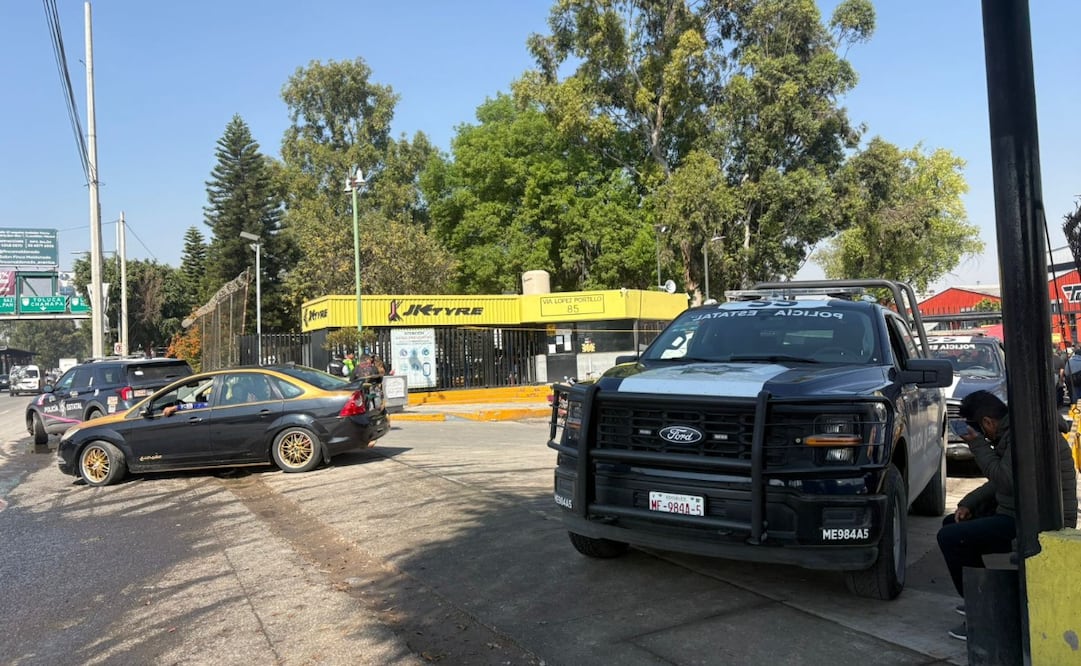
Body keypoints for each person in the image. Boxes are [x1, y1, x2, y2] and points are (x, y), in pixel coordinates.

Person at [937, 390, 1078, 642]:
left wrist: (976, 444)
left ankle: (985, 611)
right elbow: (1006, 479)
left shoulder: (1021, 436)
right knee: (954, 523)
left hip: (1037, 520)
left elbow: (1005, 479)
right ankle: (981, 596)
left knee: (951, 537)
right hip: (1020, 510)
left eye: (978, 430)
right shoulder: (1017, 430)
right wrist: (969, 502)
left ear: (988, 423)